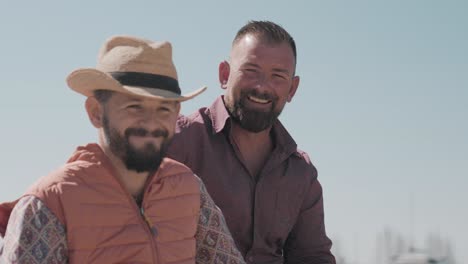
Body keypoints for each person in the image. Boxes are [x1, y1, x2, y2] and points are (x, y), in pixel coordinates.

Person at [0, 35, 245, 264]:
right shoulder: (48, 204)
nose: (151, 122)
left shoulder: (188, 187)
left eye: (164, 109)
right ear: (96, 112)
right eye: (134, 106)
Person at [167, 21, 336, 263]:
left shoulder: (301, 173)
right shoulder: (178, 143)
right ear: (224, 75)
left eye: (278, 76)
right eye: (250, 70)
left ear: (292, 89)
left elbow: (311, 256)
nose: (262, 87)